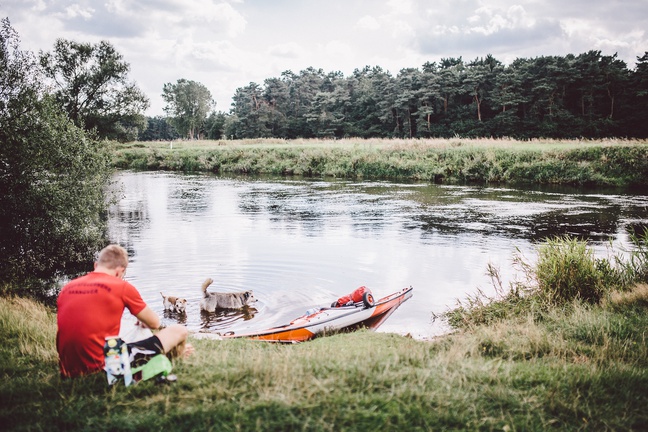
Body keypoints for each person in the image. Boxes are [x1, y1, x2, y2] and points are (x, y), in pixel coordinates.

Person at [56, 244, 193, 378]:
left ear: (95, 265)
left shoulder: (67, 287)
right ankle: (175, 355)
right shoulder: (121, 286)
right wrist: (145, 321)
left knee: (129, 326)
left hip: (67, 367)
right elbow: (155, 323)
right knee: (179, 330)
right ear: (120, 271)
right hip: (103, 367)